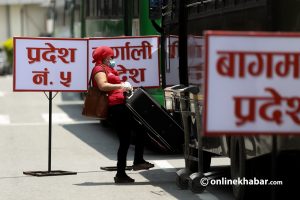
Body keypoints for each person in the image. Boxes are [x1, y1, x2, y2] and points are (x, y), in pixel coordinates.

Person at [91, 46, 154, 183]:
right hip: (115, 108)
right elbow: (102, 86)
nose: (112, 59)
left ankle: (135, 162)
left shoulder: (108, 69)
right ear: (103, 57)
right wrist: (121, 86)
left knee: (139, 130)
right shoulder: (98, 69)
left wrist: (124, 86)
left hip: (121, 105)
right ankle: (121, 173)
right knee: (126, 139)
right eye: (110, 57)